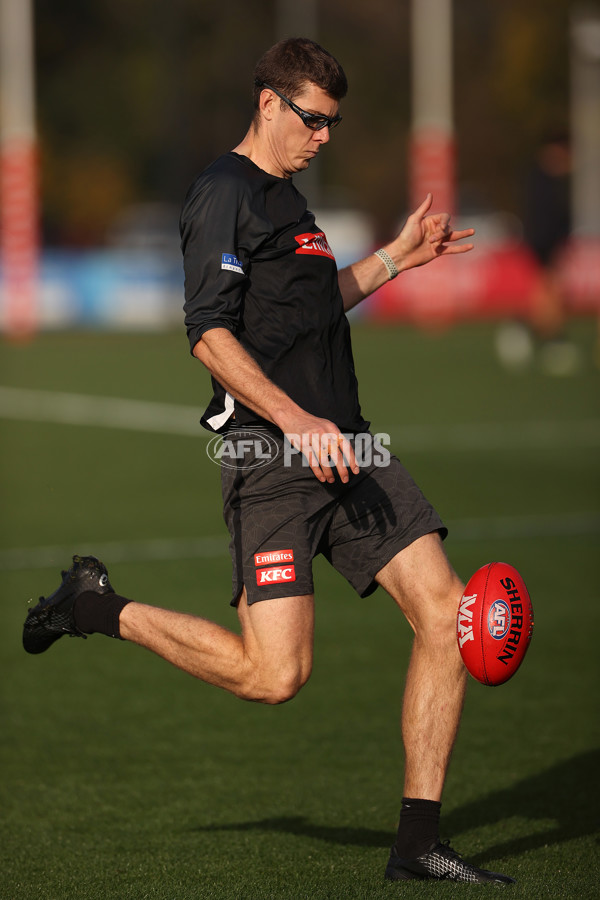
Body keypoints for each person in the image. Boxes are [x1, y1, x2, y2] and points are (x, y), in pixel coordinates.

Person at [23, 38, 515, 885]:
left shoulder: (293, 206)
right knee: (273, 676)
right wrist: (296, 422)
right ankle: (96, 606)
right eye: (314, 120)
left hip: (351, 447)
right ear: (268, 104)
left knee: (445, 613)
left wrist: (398, 257)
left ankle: (417, 845)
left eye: (333, 124)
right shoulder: (223, 192)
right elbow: (208, 334)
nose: (324, 137)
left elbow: (316, 310)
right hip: (272, 457)